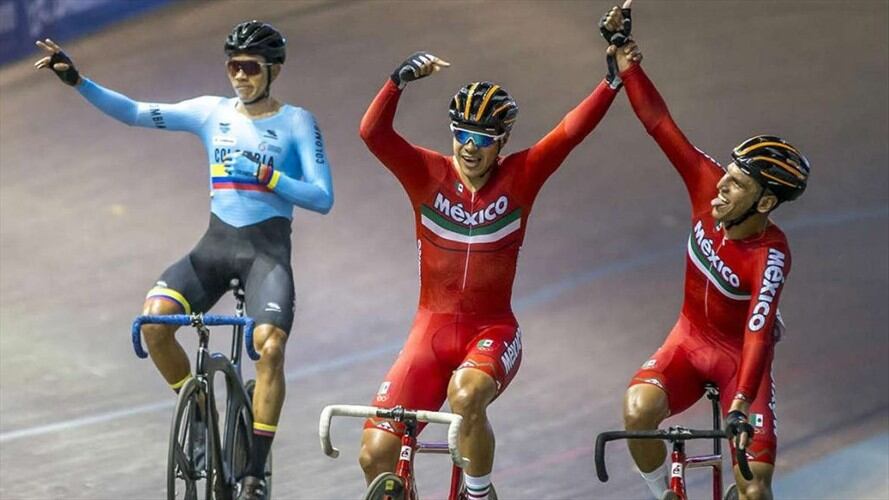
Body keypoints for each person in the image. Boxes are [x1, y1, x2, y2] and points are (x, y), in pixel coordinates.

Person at [35, 20, 333, 500]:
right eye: (233, 66)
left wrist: (268, 176)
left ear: (274, 70)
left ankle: (254, 470)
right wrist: (78, 80)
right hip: (213, 249)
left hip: (267, 257)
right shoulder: (210, 113)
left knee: (271, 349)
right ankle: (197, 415)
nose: (239, 76)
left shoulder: (298, 122)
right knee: (155, 324)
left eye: (250, 68)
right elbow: (134, 112)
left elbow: (322, 198)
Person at [356, 38, 624, 498]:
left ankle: (478, 493)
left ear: (501, 142)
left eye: (482, 139)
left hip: (492, 331)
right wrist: (396, 82)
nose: (469, 147)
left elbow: (568, 132)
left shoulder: (522, 176)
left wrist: (612, 81)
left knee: (467, 395)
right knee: (375, 454)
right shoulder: (425, 173)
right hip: (431, 334)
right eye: (461, 133)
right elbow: (372, 134)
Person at [600, 4, 809, 500]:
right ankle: (662, 494)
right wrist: (628, 63)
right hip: (687, 342)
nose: (720, 190)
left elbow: (758, 335)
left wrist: (740, 403)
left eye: (734, 186)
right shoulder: (704, 182)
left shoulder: (770, 255)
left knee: (755, 490)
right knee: (636, 412)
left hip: (741, 364)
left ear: (763, 202)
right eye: (726, 177)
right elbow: (659, 122)